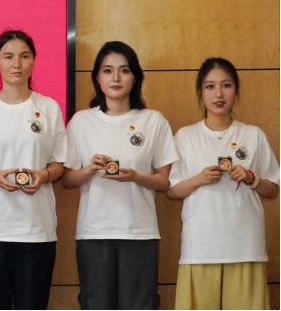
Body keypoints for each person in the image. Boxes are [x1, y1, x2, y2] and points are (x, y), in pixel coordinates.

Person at [61, 41, 179, 310]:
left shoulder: (153, 120)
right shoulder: (81, 121)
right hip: (94, 233)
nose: (116, 78)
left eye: (124, 70)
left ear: (135, 77)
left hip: (140, 233)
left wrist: (136, 177)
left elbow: (164, 181)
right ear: (97, 77)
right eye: (107, 70)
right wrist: (89, 169)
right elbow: (67, 180)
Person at [0, 30, 66, 310]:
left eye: (24, 56)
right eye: (8, 57)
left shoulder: (49, 108)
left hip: (37, 229)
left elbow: (59, 163)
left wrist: (44, 176)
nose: (16, 64)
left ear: (33, 61)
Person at [166, 57, 280, 310]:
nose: (218, 94)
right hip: (200, 247)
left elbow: (272, 190)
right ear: (200, 92)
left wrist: (251, 177)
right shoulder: (185, 136)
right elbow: (172, 190)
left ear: (236, 90)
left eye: (226, 85)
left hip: (245, 246)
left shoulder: (253, 134)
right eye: (210, 86)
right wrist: (199, 179)